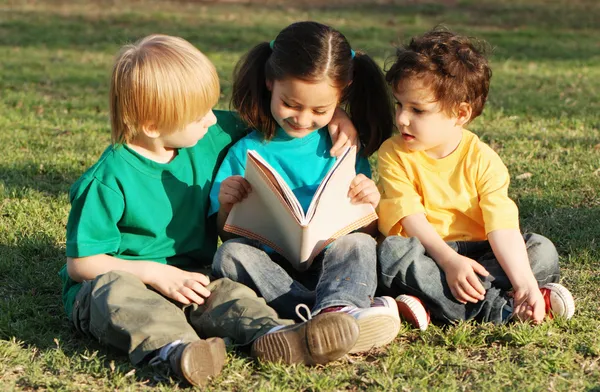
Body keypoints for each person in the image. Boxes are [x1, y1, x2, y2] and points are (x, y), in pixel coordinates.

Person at [58, 34, 364, 387]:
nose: (210, 119)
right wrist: (154, 274)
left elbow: (288, 114)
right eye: (199, 114)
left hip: (191, 277)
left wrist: (338, 113)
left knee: (230, 296)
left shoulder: (203, 135)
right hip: (117, 283)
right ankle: (178, 350)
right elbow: (81, 264)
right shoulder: (108, 179)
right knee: (119, 296)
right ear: (153, 125)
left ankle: (279, 336)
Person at [211, 21, 401, 354]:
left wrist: (368, 204)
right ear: (270, 82)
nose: (302, 119)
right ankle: (327, 317)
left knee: (358, 244)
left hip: (334, 264)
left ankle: (336, 310)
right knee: (229, 256)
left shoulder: (342, 145)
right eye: (291, 104)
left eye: (320, 110)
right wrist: (228, 203)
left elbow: (367, 230)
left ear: (341, 95)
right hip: (274, 272)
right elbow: (226, 233)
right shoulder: (246, 151)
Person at [376, 27, 575, 330]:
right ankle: (502, 310)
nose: (402, 118)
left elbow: (503, 229)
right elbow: (410, 217)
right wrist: (448, 261)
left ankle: (435, 302)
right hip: (429, 252)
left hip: (483, 253)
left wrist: (524, 282)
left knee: (540, 250)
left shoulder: (483, 160)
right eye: (399, 104)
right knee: (391, 254)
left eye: (418, 109)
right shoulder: (394, 152)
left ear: (460, 113)